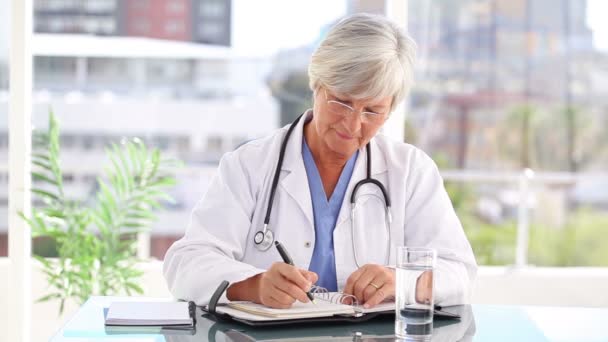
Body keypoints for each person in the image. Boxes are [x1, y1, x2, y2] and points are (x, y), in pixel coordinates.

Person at [163, 13, 477, 309]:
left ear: (391, 109)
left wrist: (403, 282)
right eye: (342, 102)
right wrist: (253, 285)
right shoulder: (249, 165)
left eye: (372, 111)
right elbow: (186, 262)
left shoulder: (410, 171)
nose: (352, 125)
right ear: (317, 85)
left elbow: (458, 273)